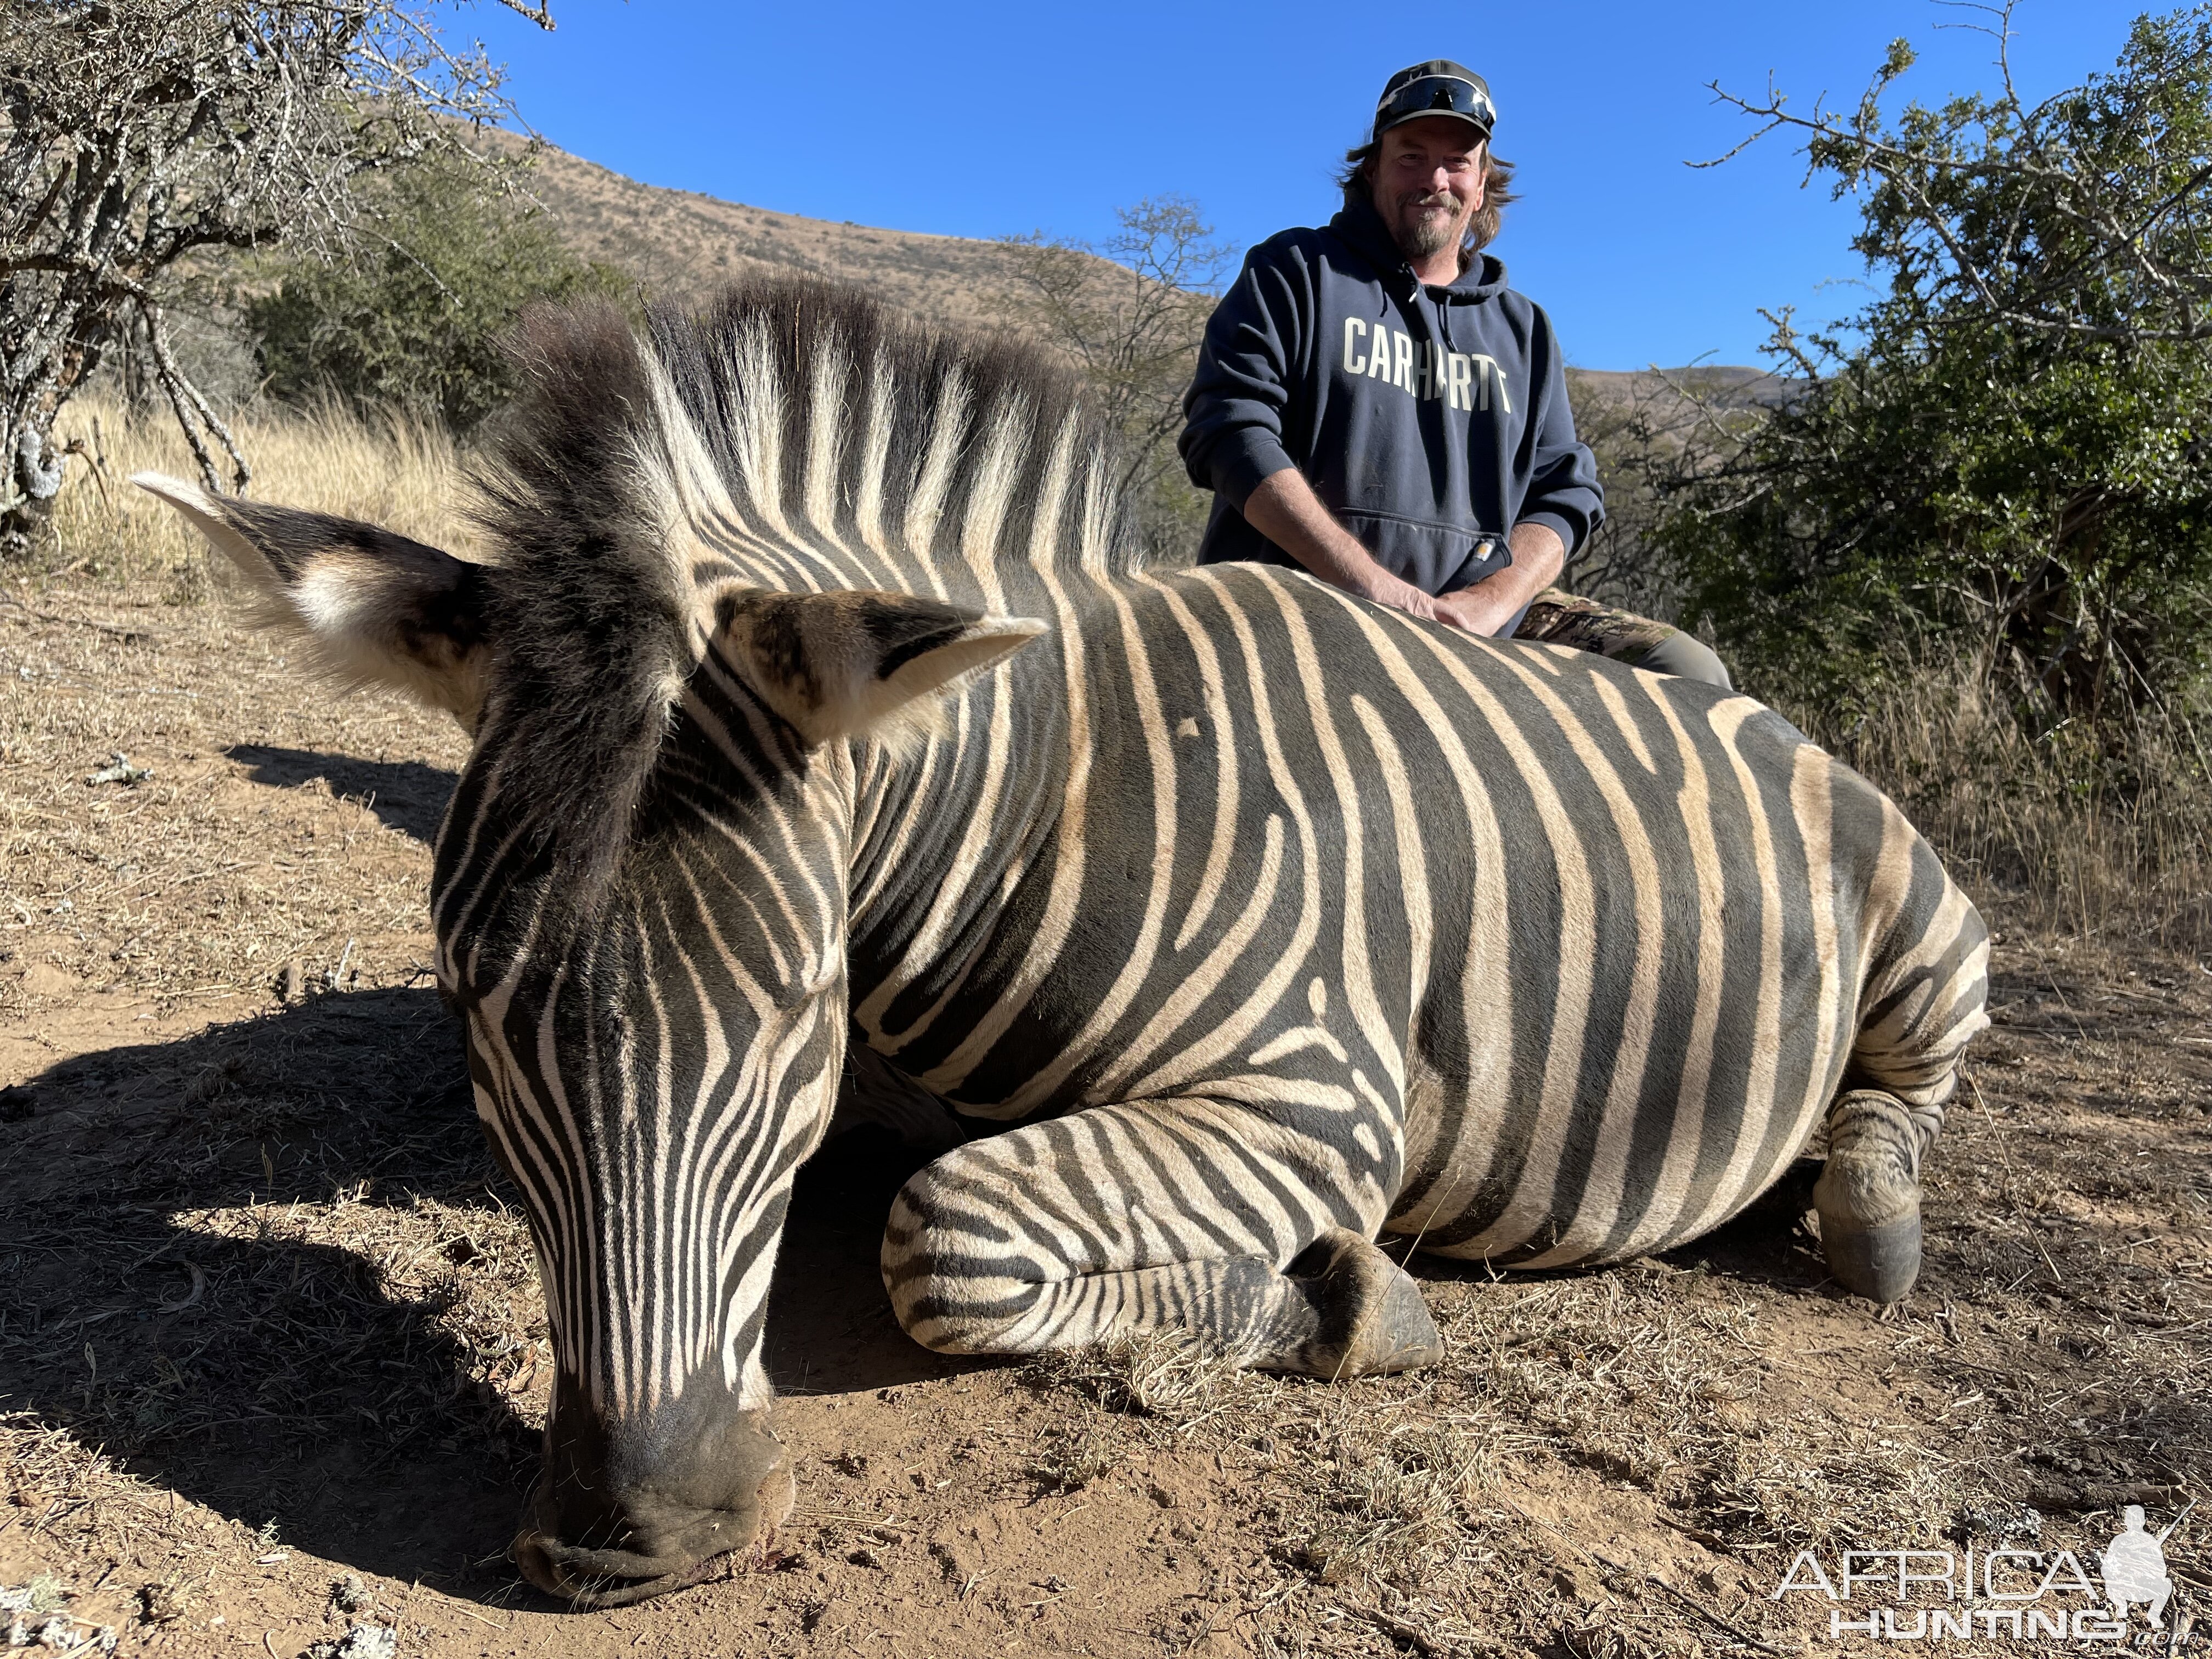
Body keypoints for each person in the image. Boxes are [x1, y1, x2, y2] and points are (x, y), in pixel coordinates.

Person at [1178, 59, 1731, 688]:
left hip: (1475, 624)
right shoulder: (1296, 271)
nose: (1434, 180)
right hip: (1305, 601)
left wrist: (1495, 601)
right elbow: (1228, 429)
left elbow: (1567, 494)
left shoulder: (1524, 329)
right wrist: (1372, 588)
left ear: (1483, 179)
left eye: (1457, 161)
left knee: (1687, 671)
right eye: (1411, 156)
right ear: (1372, 166)